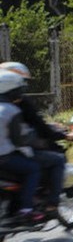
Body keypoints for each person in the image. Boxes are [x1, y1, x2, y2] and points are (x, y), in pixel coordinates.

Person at [0, 62, 71, 217]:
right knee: (44, 164)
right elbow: (21, 137)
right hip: (8, 156)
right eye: (20, 84)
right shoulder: (14, 108)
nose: (23, 89)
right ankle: (39, 206)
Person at [0, 70, 44, 225]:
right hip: (4, 159)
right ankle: (26, 209)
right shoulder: (12, 110)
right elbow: (18, 140)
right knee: (33, 168)